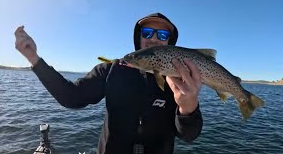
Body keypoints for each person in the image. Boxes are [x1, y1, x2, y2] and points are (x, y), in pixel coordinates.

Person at [15, 12, 203, 154]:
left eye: (162, 35)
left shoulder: (181, 81)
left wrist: (188, 109)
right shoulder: (111, 70)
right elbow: (71, 97)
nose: (153, 38)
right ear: (138, 38)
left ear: (170, 42)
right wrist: (34, 59)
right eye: (147, 32)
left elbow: (188, 135)